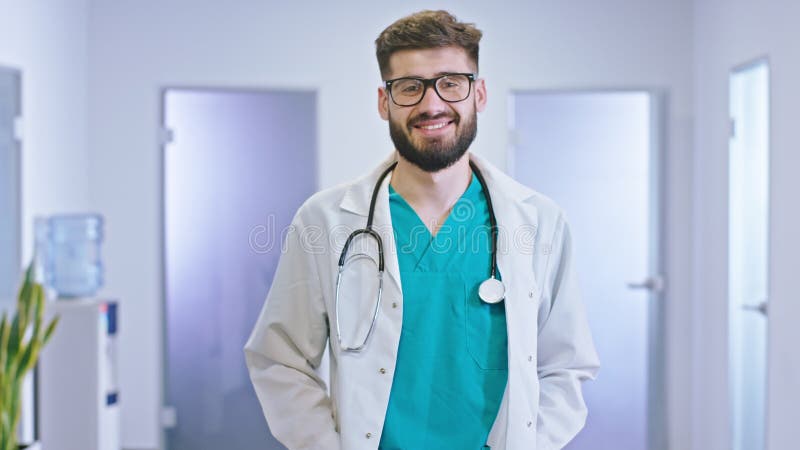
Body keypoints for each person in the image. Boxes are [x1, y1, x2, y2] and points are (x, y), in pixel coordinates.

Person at [244, 10, 599, 450]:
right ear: (383, 101)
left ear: (479, 93)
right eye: (410, 87)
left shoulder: (539, 221)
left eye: (450, 82)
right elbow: (279, 359)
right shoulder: (326, 220)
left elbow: (566, 366)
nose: (432, 105)